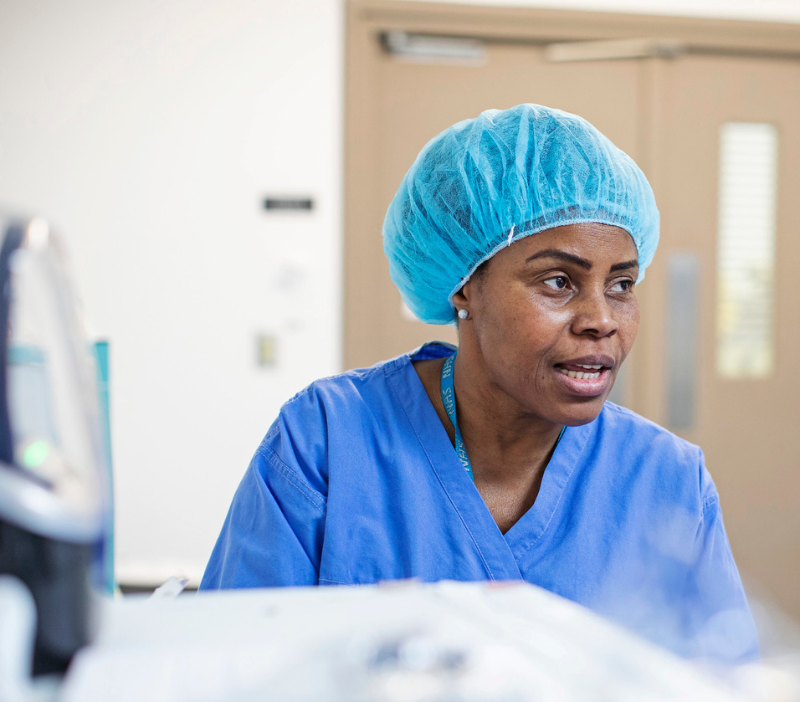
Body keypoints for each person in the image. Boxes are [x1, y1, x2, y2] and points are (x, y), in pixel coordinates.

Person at [201, 104, 758, 664]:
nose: (602, 319)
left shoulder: (667, 480)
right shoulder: (328, 441)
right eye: (559, 281)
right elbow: (232, 673)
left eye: (621, 284)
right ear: (465, 286)